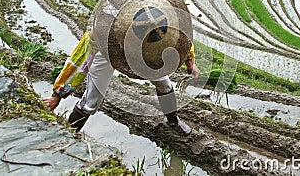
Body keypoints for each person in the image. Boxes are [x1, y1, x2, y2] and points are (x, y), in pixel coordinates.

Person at [44, 28, 199, 136]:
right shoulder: (103, 32)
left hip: (144, 55)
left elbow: (182, 39)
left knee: (165, 84)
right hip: (107, 53)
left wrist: (190, 61)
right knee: (92, 101)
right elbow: (77, 62)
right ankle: (68, 134)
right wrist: (56, 95)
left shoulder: (163, 26)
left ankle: (173, 121)